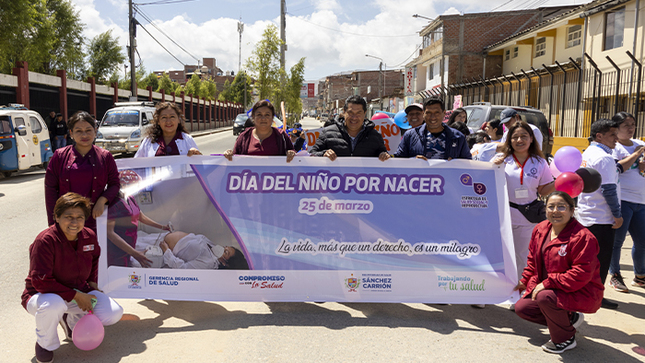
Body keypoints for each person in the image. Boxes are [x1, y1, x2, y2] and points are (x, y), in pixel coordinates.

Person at [22, 193, 124, 363]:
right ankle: (45, 344)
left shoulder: (89, 235)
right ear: (56, 217)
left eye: (80, 217)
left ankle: (71, 323)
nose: (74, 223)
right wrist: (77, 296)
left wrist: (91, 281)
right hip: (41, 295)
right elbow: (40, 281)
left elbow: (94, 258)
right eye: (68, 217)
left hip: (78, 289)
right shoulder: (45, 240)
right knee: (53, 305)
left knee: (113, 313)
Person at [514, 191, 603, 354]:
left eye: (561, 207)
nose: (555, 211)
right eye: (551, 207)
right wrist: (524, 280)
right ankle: (569, 319)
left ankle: (565, 339)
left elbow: (581, 273)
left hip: (580, 290)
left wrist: (547, 283)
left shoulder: (583, 237)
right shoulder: (540, 229)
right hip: (553, 290)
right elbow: (532, 260)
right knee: (522, 308)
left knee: (544, 297)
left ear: (571, 210)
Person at [493, 120, 555, 282]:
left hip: (528, 217)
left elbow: (542, 191)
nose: (519, 140)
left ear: (531, 139)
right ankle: (491, 291)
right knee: (498, 254)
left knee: (522, 256)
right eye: (515, 137)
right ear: (509, 140)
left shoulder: (540, 162)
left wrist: (558, 182)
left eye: (524, 136)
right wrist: (491, 166)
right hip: (502, 215)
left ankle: (517, 293)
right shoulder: (500, 160)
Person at [45, 111, 120, 231]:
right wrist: (53, 221)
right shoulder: (59, 156)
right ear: (71, 133)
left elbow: (115, 184)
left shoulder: (105, 156)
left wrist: (102, 200)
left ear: (95, 131)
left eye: (88, 130)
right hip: (67, 219)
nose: (84, 135)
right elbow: (50, 188)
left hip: (95, 217)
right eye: (79, 131)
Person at [577, 118, 623, 309]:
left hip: (587, 214)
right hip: (602, 217)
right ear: (600, 136)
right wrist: (617, 215)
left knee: (588, 259)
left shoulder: (589, 152)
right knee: (601, 260)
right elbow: (609, 190)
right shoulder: (604, 158)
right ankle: (595, 296)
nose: (616, 139)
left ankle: (586, 293)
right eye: (612, 135)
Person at [609, 112, 645, 292]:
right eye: (626, 125)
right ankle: (615, 275)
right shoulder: (614, 147)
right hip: (623, 200)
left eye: (633, 124)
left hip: (641, 200)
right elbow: (617, 169)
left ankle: (640, 276)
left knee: (642, 241)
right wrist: (637, 155)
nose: (631, 128)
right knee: (617, 241)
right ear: (616, 128)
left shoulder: (641, 144)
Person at [106, 170, 171, 267]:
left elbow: (141, 217)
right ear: (123, 185)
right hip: (117, 251)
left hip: (130, 245)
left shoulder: (130, 198)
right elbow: (110, 233)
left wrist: (162, 227)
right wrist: (135, 254)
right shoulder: (113, 203)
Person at [310, 95, 390, 161]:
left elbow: (384, 157)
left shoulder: (375, 136)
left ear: (365, 113)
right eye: (350, 113)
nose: (354, 117)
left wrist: (383, 155)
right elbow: (312, 154)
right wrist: (323, 154)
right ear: (344, 112)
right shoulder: (327, 133)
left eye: (359, 113)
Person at [393, 97, 471, 160]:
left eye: (437, 113)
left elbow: (468, 163)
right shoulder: (410, 136)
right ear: (423, 114)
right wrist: (413, 161)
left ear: (444, 113)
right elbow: (399, 160)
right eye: (428, 113)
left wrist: (456, 163)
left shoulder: (458, 137)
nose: (433, 117)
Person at [224, 100, 296, 162]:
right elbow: (234, 159)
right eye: (259, 115)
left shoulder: (281, 136)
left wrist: (291, 153)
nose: (263, 118)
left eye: (267, 115)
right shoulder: (244, 137)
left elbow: (294, 155)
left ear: (272, 118)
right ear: (253, 117)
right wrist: (229, 155)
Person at [135, 102, 201, 157]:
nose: (168, 121)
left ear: (178, 119)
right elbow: (137, 165)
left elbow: (200, 167)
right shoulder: (148, 141)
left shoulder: (188, 140)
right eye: (164, 117)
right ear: (158, 121)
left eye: (172, 117)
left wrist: (197, 155)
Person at [159, 231, 249, 270]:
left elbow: (183, 268)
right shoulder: (212, 247)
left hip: (161, 251)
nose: (223, 248)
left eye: (226, 252)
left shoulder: (208, 263)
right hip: (161, 238)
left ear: (225, 263)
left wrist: (167, 251)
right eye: (226, 247)